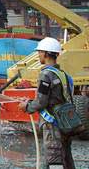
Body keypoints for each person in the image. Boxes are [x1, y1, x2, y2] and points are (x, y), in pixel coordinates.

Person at [18, 37, 75, 169]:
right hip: (65, 123)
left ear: (45, 53)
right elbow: (57, 98)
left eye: (39, 52)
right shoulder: (63, 74)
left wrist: (26, 106)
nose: (38, 55)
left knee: (54, 158)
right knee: (66, 158)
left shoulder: (46, 75)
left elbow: (41, 102)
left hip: (52, 125)